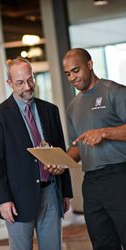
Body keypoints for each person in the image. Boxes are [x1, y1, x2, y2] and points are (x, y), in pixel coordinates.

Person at [0, 58, 73, 250]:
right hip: (17, 198)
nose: (28, 86)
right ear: (9, 83)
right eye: (20, 82)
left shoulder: (50, 110)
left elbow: (60, 151)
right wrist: (3, 200)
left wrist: (65, 192)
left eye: (30, 80)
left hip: (51, 192)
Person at [62, 48, 126, 250]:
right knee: (102, 243)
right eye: (68, 74)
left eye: (76, 70)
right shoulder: (73, 106)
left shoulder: (115, 91)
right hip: (91, 182)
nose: (72, 78)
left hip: (120, 176)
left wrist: (104, 133)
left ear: (90, 65)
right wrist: (60, 162)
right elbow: (77, 148)